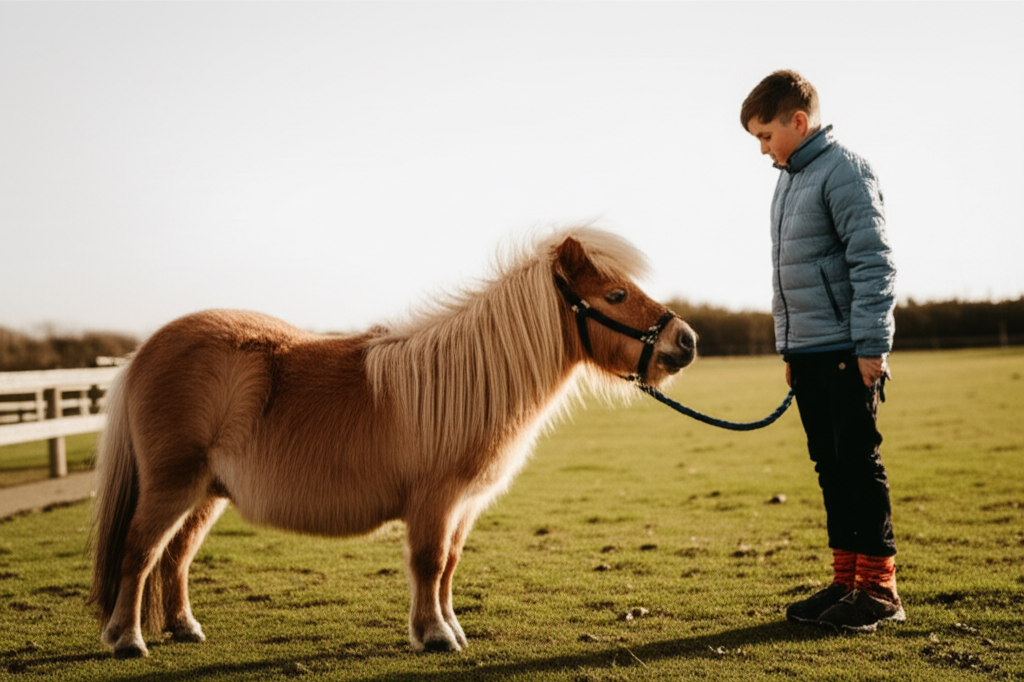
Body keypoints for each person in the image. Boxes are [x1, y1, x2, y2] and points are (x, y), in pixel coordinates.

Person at [740, 70, 904, 632]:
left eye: (766, 136)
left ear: (799, 121)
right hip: (808, 352)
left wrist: (872, 346)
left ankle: (880, 591)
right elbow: (790, 277)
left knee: (858, 466)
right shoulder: (787, 181)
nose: (762, 150)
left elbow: (873, 264)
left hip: (846, 349)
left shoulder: (845, 172)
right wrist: (790, 348)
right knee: (830, 469)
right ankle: (846, 580)